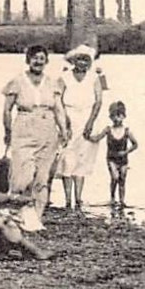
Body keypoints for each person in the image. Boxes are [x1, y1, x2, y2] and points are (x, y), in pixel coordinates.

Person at [1, 45, 71, 234]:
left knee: (42, 177)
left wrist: (63, 130)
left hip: (48, 130)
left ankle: (35, 219)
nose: (38, 62)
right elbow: (7, 109)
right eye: (35, 58)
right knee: (22, 177)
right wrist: (7, 131)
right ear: (28, 60)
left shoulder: (52, 82)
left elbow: (58, 109)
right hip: (23, 129)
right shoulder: (17, 81)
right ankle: (15, 215)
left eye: (42, 58)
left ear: (46, 61)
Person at [55, 45, 107, 211]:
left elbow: (98, 101)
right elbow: (58, 101)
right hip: (68, 118)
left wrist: (90, 122)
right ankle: (67, 199)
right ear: (73, 60)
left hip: (87, 118)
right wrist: (65, 121)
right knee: (66, 158)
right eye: (79, 59)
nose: (82, 63)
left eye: (86, 60)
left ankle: (78, 198)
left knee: (83, 159)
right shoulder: (64, 77)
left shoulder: (94, 78)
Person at [102, 101, 138, 207]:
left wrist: (126, 152)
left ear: (123, 116)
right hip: (111, 158)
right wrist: (88, 137)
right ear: (110, 117)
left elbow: (135, 144)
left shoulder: (127, 131)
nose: (116, 119)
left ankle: (122, 200)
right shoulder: (108, 130)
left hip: (123, 159)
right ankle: (112, 197)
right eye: (113, 116)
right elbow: (98, 138)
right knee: (115, 177)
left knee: (122, 179)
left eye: (119, 116)